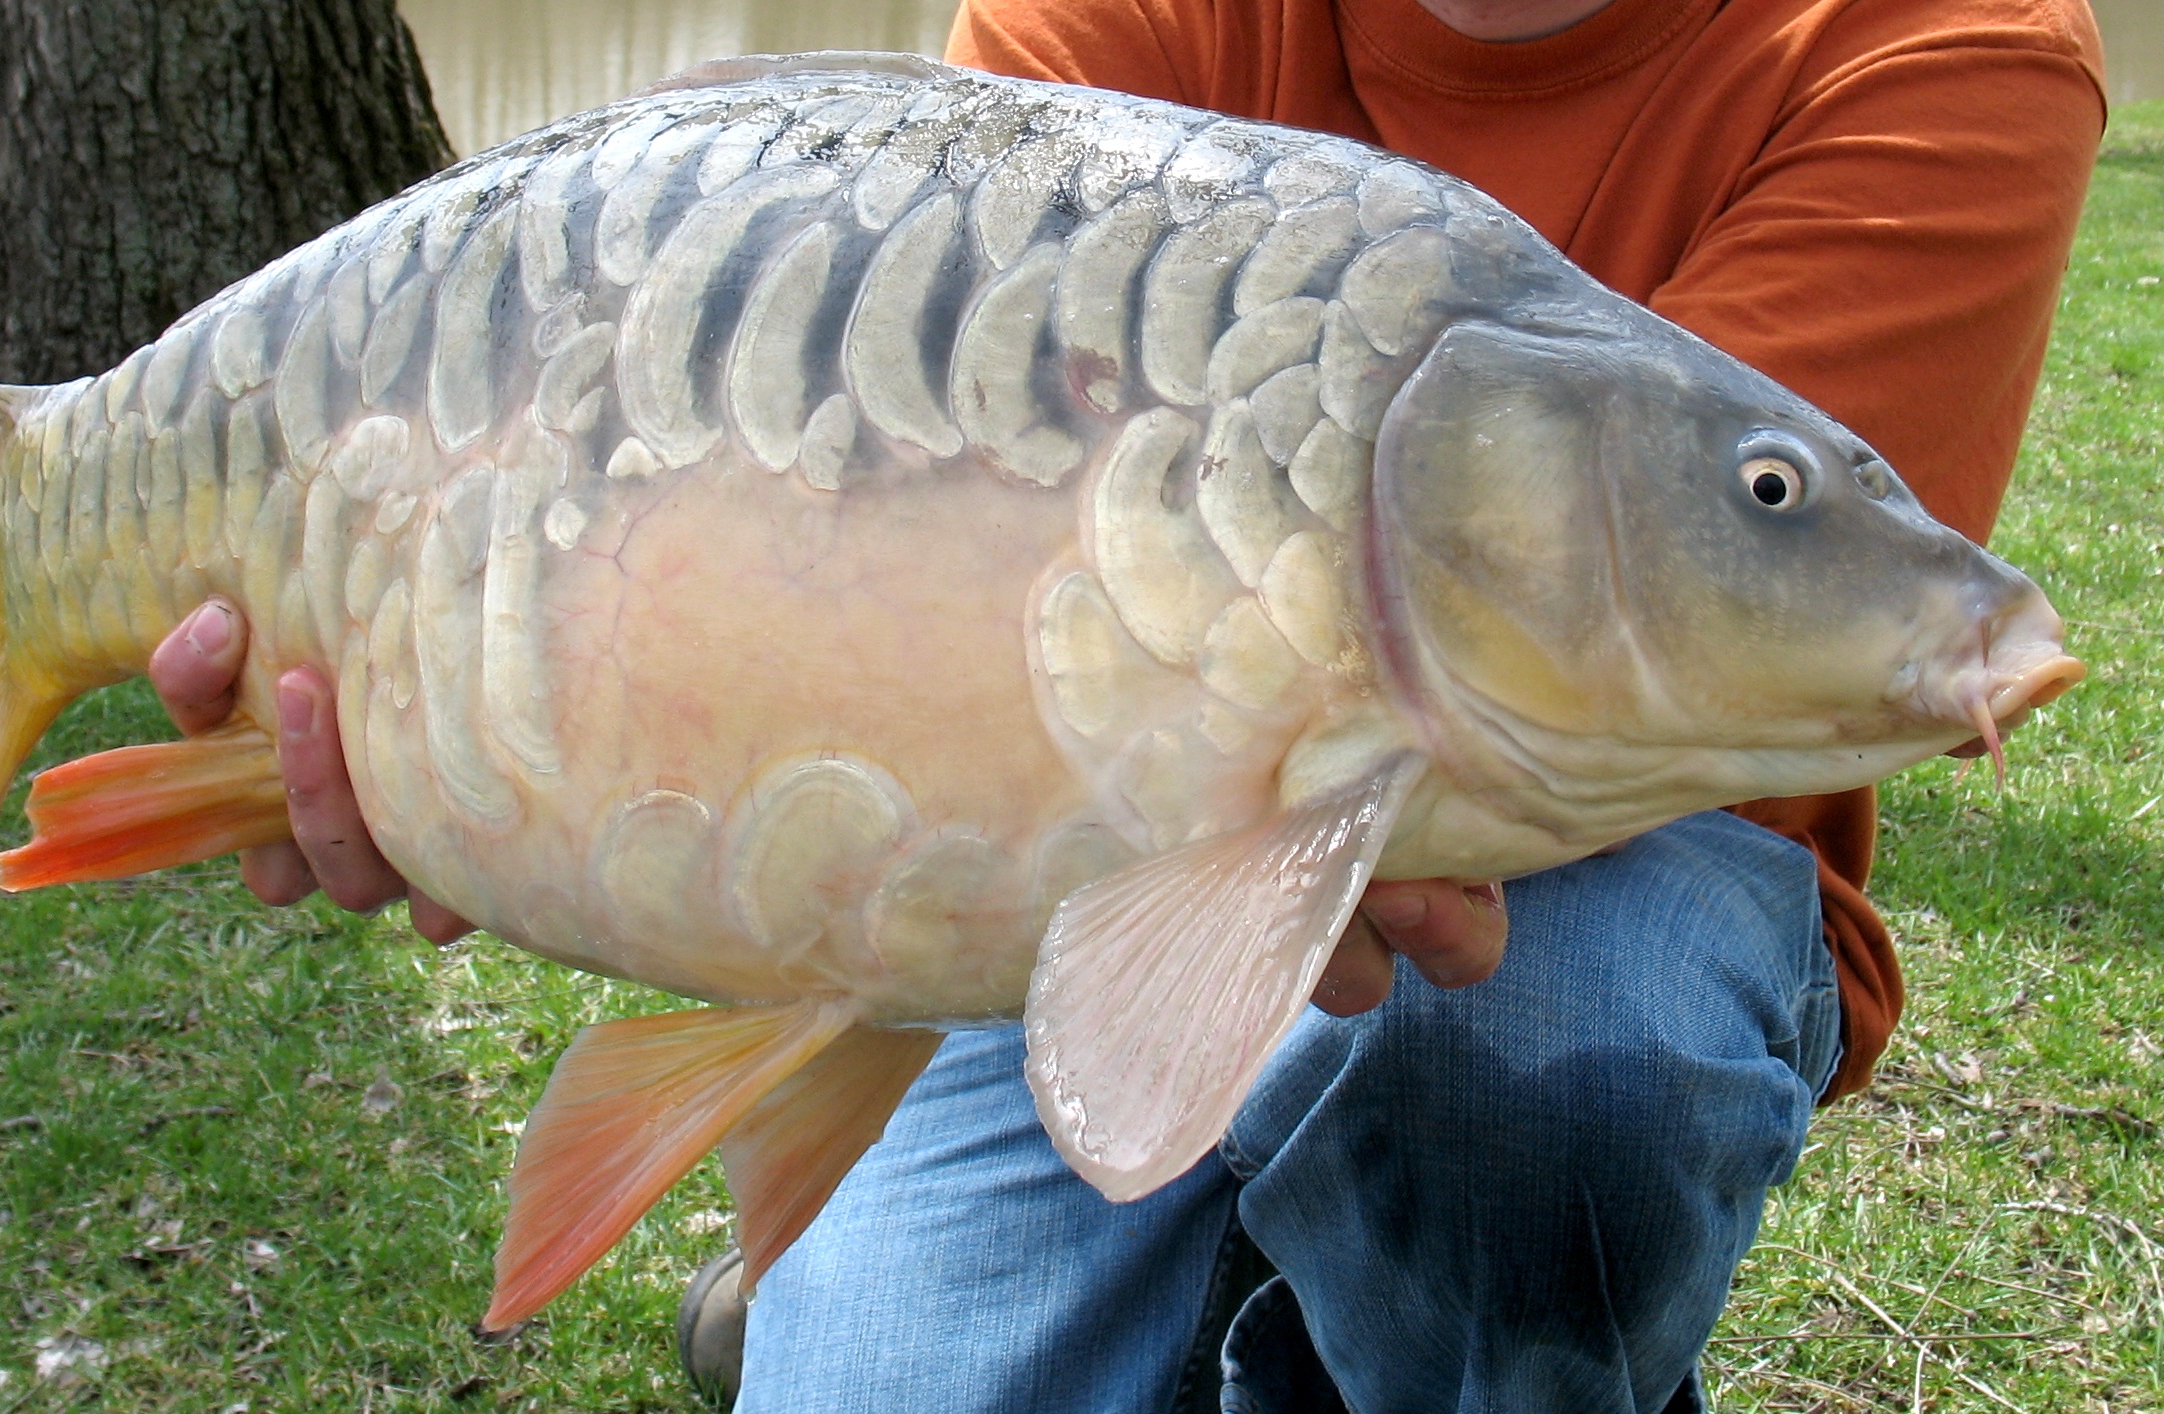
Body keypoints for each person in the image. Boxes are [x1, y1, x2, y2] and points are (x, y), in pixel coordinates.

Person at [148, 0, 2104, 1406]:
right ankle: (856, 1282)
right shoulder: (1126, 17)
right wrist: (489, 754)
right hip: (1047, 866)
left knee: (1531, 1060)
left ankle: (1392, 1306)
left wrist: (1316, 770)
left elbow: (1623, 650)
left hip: (1604, 883)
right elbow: (851, 510)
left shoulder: (1930, 46)